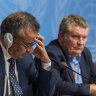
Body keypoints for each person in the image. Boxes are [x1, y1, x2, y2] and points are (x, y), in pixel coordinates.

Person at [0, 12, 51, 96]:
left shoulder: (27, 60)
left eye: (33, 44)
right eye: (27, 45)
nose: (30, 51)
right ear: (9, 39)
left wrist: (45, 63)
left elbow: (43, 93)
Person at [46, 14, 96, 96]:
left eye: (84, 37)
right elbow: (56, 86)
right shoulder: (50, 53)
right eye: (76, 37)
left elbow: (93, 79)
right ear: (62, 36)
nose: (81, 42)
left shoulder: (85, 52)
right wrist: (90, 89)